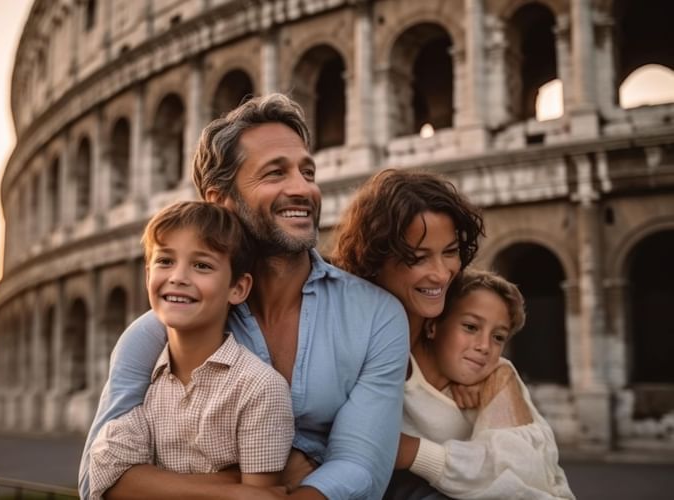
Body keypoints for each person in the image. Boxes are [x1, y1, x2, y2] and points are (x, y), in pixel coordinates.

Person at [78, 94, 410, 500]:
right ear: (221, 200)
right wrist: (243, 488)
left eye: (308, 172)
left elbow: (362, 468)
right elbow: (95, 482)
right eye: (276, 174)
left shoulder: (377, 315)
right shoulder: (155, 335)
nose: (302, 189)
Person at [332, 169, 574, 499]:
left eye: (450, 252)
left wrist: (412, 452)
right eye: (418, 257)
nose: (441, 273)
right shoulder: (348, 344)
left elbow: (525, 479)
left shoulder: (481, 365)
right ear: (373, 258)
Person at [88, 201, 294, 499]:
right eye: (165, 261)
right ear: (148, 276)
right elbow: (106, 476)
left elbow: (260, 498)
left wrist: (146, 483)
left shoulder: (261, 388)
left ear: (238, 288)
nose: (178, 277)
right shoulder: (144, 377)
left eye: (202, 265)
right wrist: (232, 489)